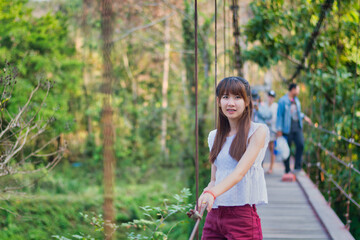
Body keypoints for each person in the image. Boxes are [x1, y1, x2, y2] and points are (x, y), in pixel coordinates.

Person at [197, 76, 270, 239]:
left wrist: (213, 193)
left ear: (247, 101)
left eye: (237, 97)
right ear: (218, 101)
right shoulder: (214, 136)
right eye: (225, 97)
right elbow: (214, 180)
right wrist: (206, 193)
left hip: (241, 217)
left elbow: (238, 173)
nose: (231, 103)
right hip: (214, 215)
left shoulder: (257, 132)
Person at [276, 83, 311, 174]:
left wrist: (304, 117)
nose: (298, 92)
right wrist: (279, 129)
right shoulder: (282, 101)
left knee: (301, 144)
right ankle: (287, 169)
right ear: (293, 90)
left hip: (297, 127)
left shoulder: (296, 100)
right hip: (287, 129)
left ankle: (297, 167)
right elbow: (279, 116)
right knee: (286, 149)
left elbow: (297, 113)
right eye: (297, 90)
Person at [266, 90, 278, 174]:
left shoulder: (276, 106)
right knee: (264, 148)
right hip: (265, 129)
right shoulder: (263, 105)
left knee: (272, 148)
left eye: (272, 97)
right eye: (269, 96)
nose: (270, 98)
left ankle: (271, 167)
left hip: (273, 129)